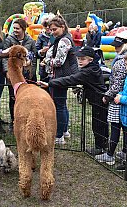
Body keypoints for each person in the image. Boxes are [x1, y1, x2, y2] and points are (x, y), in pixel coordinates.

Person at [38, 46, 108, 149]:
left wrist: (50, 83)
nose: (79, 61)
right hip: (97, 100)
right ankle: (101, 146)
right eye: (78, 58)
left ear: (91, 60)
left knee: (99, 125)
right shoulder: (92, 67)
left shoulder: (87, 72)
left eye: (83, 59)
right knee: (99, 123)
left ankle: (101, 148)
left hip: (98, 100)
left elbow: (71, 79)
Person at [96, 30, 127, 162]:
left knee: (115, 127)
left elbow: (117, 84)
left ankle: (110, 154)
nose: (115, 47)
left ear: (125, 45)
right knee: (125, 128)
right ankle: (124, 152)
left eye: (118, 45)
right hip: (125, 99)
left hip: (117, 100)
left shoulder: (121, 61)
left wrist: (107, 96)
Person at [41, 15, 78, 144]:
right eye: (50, 30)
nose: (52, 32)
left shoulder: (64, 41)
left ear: (63, 27)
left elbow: (58, 61)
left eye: (54, 29)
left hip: (59, 77)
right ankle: (64, 130)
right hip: (60, 76)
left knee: (58, 106)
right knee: (61, 105)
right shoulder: (61, 39)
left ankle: (59, 135)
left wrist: (45, 61)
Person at [2, 18, 37, 131]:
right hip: (14, 75)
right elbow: (4, 57)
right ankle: (14, 122)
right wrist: (7, 70)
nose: (15, 30)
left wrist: (31, 66)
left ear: (23, 29)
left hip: (27, 74)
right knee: (13, 98)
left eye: (17, 28)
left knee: (28, 98)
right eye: (14, 28)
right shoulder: (9, 40)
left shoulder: (30, 41)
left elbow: (34, 56)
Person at [36, 17, 54, 81]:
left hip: (54, 68)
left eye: (49, 25)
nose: (47, 27)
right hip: (44, 67)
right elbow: (36, 51)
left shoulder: (57, 36)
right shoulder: (41, 36)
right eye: (45, 25)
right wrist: (41, 52)